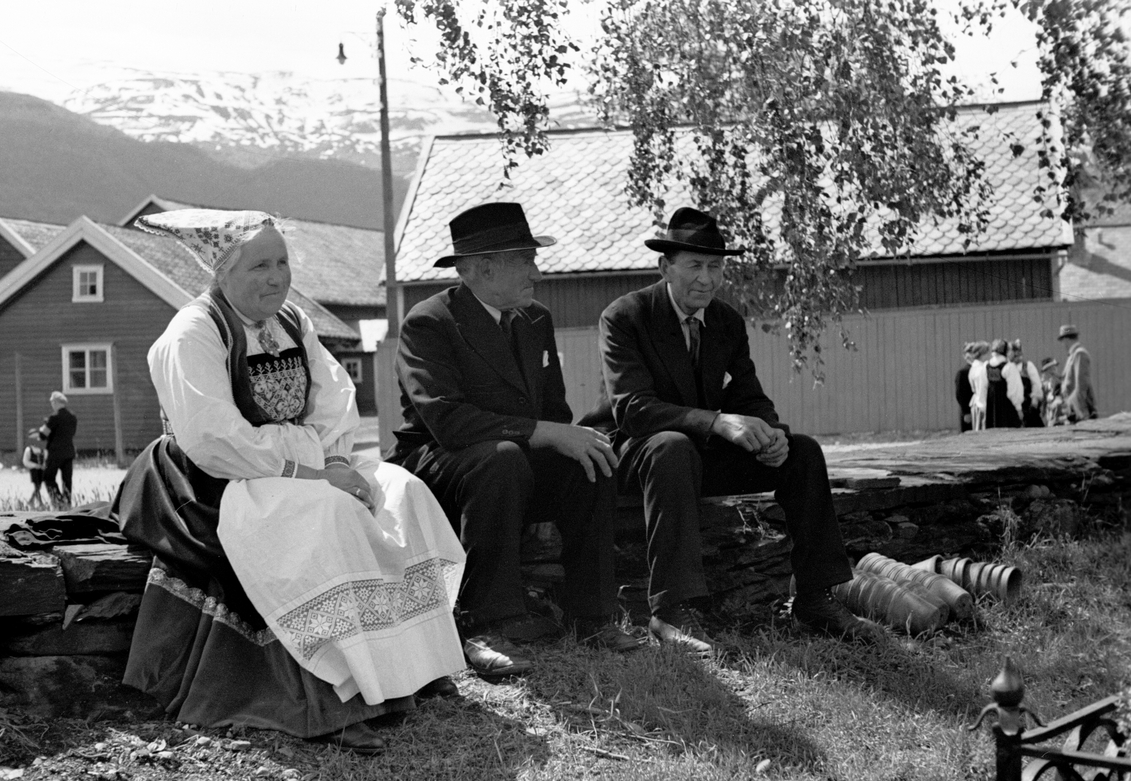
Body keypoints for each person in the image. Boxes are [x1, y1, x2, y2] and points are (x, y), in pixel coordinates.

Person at [112, 209, 467, 755]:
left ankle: (414, 667)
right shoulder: (193, 333)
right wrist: (314, 470)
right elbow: (214, 439)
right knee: (330, 513)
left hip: (303, 465)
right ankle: (338, 696)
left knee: (403, 491)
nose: (277, 277)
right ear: (221, 271)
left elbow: (334, 399)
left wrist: (333, 462)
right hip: (211, 482)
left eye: (282, 262)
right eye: (260, 265)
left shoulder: (292, 323)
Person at [579, 207, 880, 653]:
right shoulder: (626, 316)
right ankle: (670, 613)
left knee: (803, 452)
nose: (707, 278)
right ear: (665, 267)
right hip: (632, 453)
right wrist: (717, 422)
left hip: (692, 453)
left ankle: (816, 597)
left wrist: (772, 434)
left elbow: (748, 397)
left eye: (716, 266)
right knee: (671, 446)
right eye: (695, 266)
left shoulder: (726, 321)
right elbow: (634, 410)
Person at [388, 202, 640, 679]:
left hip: (508, 458)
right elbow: (448, 422)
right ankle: (485, 625)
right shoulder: (430, 322)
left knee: (589, 456)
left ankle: (591, 615)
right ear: (483, 268)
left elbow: (554, 412)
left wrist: (566, 439)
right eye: (526, 260)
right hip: (441, 464)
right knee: (502, 458)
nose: (537, 273)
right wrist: (543, 433)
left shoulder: (534, 319)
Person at [29, 392, 77, 508]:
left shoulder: (53, 417)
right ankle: (67, 503)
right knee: (67, 480)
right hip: (69, 452)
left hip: (55, 453)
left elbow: (43, 435)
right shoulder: (72, 417)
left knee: (48, 477)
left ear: (55, 402)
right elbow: (71, 433)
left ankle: (58, 501)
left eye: (51, 402)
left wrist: (39, 433)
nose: (51, 405)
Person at [979, 339, 1023, 429]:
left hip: (991, 408)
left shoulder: (986, 366)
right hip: (1007, 408)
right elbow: (1014, 390)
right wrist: (1018, 408)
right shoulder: (1009, 367)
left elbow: (982, 388)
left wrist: (983, 407)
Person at [1058, 324, 1097, 422]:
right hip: (1073, 409)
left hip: (1079, 411)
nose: (1062, 344)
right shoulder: (1073, 355)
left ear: (1066, 340)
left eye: (1062, 341)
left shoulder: (1079, 354)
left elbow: (1081, 386)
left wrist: (1077, 412)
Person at [1009, 339, 1044, 428]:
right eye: (1016, 354)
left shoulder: (1028, 366)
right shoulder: (1008, 368)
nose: (1018, 357)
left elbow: (1036, 384)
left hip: (1027, 403)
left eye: (1019, 354)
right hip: (1013, 404)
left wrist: (1035, 398)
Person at [967, 341, 991, 431]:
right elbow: (982, 389)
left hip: (976, 402)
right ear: (983, 354)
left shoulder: (974, 367)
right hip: (981, 404)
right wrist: (984, 408)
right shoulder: (981, 369)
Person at [955, 343, 978, 432]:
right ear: (964, 355)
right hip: (968, 409)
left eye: (974, 351)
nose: (971, 354)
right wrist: (966, 412)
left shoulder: (979, 368)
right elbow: (960, 394)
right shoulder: (963, 372)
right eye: (969, 351)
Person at [1039, 357, 1065, 426]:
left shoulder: (1057, 379)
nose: (1055, 369)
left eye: (1055, 367)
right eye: (1053, 368)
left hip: (1057, 414)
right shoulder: (1048, 382)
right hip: (1052, 414)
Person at [22, 439, 47, 507]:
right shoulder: (29, 449)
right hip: (34, 470)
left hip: (41, 470)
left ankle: (32, 501)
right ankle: (39, 502)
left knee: (39, 486)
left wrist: (43, 466)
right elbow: (25, 461)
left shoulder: (42, 450)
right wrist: (35, 465)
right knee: (37, 486)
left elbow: (45, 459)